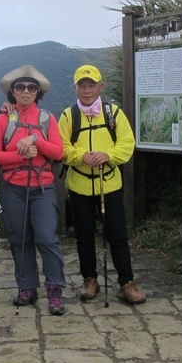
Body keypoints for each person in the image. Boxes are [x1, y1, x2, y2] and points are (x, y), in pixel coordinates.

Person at [58, 64, 146, 304]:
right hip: (80, 186)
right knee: (84, 235)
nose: (87, 90)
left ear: (101, 86)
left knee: (117, 235)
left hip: (109, 185)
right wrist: (82, 156)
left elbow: (127, 144)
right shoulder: (68, 116)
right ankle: (89, 279)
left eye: (91, 85)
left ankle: (126, 283)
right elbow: (62, 149)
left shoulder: (113, 114)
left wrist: (107, 155)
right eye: (82, 86)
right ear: (75, 88)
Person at [0, 65, 68, 315]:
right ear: (12, 92)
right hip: (13, 187)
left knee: (46, 238)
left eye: (31, 87)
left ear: (37, 92)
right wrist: (20, 155)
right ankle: (27, 287)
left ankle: (55, 289)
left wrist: (35, 140)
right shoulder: (3, 119)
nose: (25, 91)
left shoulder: (47, 119)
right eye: (20, 87)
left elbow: (58, 152)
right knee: (20, 239)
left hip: (42, 188)